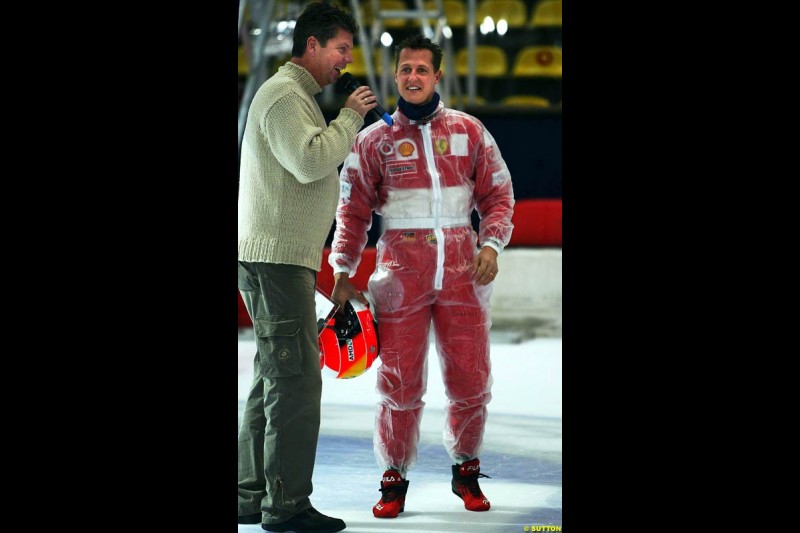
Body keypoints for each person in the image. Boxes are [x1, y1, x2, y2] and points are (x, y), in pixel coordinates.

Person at [328, 34, 515, 519]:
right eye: (405, 69)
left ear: (437, 76)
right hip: (400, 275)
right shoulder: (373, 140)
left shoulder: (469, 131)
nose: (413, 77)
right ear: (395, 76)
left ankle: (466, 471)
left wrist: (492, 244)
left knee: (471, 379)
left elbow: (497, 193)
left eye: (422, 70)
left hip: (463, 273)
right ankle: (394, 477)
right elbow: (351, 211)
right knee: (399, 382)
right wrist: (343, 269)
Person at [237, 2, 380, 532]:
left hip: (276, 257)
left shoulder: (292, 96)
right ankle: (286, 505)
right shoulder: (283, 96)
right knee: (296, 382)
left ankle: (249, 495)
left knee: (273, 380)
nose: (346, 59)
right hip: (275, 262)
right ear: (313, 45)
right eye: (341, 48)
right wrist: (350, 117)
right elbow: (309, 160)